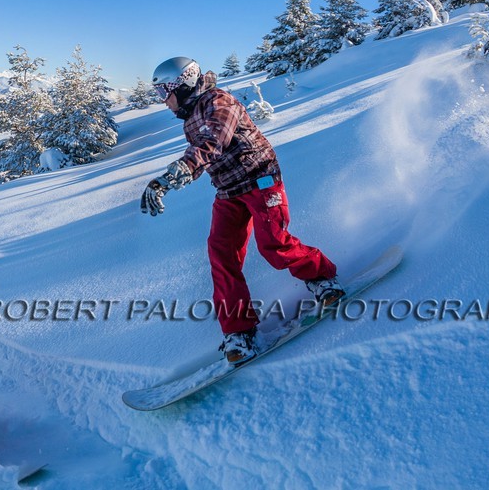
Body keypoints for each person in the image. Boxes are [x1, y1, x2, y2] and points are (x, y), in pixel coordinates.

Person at [138, 56, 341, 366]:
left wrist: (178, 169)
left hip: (260, 180)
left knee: (273, 244)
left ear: (184, 84)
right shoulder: (192, 115)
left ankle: (322, 278)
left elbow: (213, 142)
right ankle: (239, 331)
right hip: (229, 191)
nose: (163, 101)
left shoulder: (219, 101)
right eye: (158, 94)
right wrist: (168, 181)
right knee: (221, 254)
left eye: (164, 92)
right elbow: (204, 157)